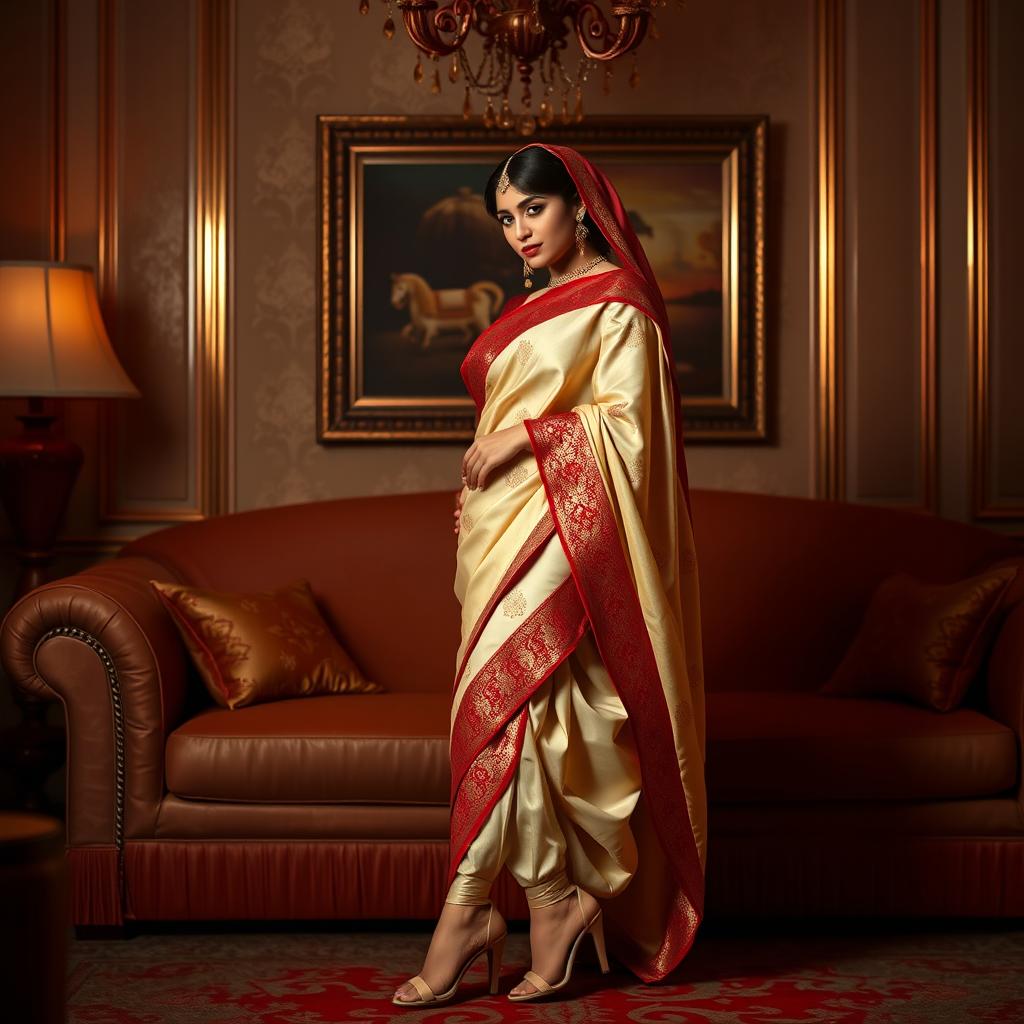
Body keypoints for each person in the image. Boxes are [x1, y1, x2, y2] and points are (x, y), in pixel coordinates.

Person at [393, 143, 707, 1007]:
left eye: (532, 210)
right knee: (516, 717)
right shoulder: (540, 302)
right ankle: (545, 902)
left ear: (579, 205)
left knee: (525, 702)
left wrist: (523, 443)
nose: (518, 232)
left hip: (572, 534)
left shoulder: (619, 309)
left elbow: (628, 437)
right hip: (506, 529)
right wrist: (488, 483)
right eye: (504, 217)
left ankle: (469, 913)